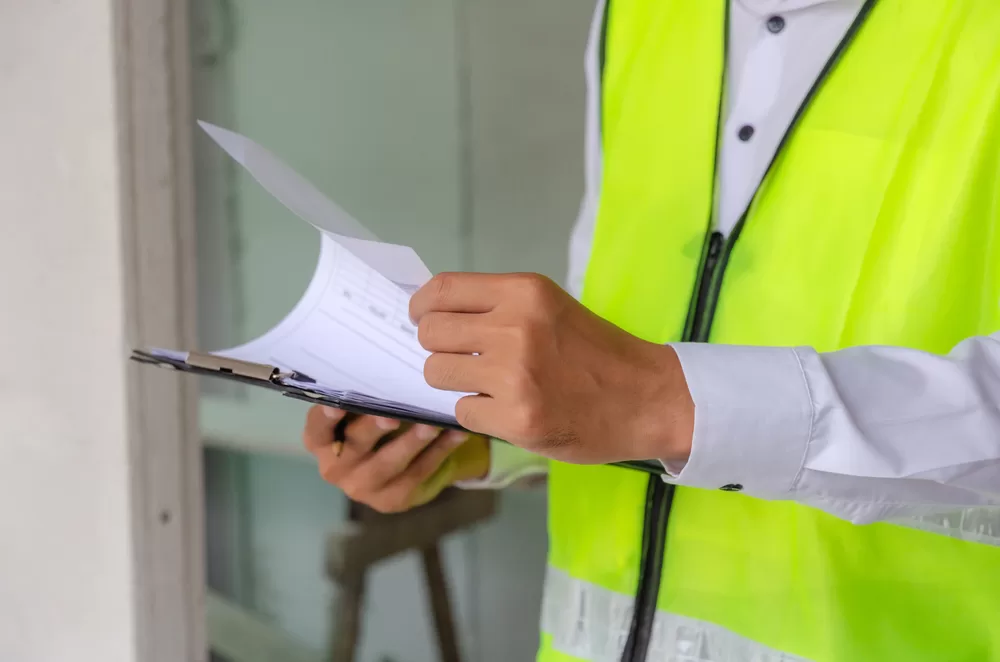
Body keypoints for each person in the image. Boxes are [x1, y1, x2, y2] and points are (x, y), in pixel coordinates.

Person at [303, 1, 1000, 660]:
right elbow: (624, 340)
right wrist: (485, 437)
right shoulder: (637, 13)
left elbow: (650, 390)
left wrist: (667, 402)